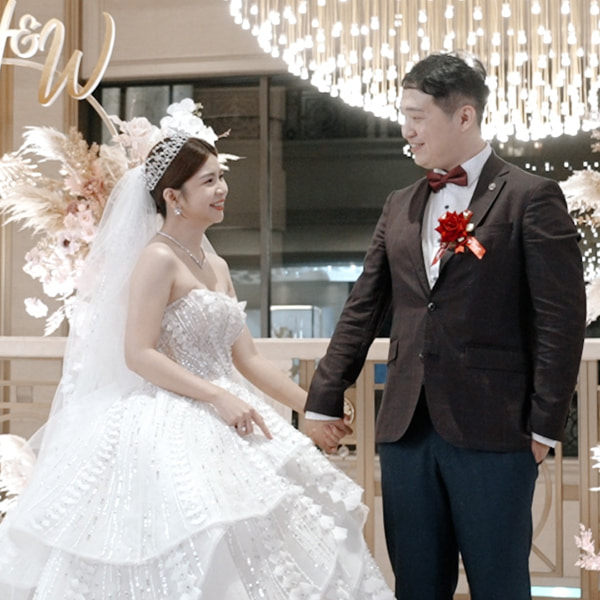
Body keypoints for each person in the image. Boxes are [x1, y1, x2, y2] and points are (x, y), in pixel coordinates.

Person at [0, 130, 394, 599]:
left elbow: (246, 356)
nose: (222, 188)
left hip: (230, 408)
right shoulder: (157, 259)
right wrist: (216, 395)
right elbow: (139, 353)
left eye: (221, 177)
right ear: (173, 197)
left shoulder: (216, 264)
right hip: (170, 416)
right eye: (208, 181)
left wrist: (313, 407)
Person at [304, 52, 587, 600]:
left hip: (497, 431)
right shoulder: (399, 205)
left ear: (464, 116)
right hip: (406, 431)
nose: (406, 131)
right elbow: (364, 305)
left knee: (500, 587)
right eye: (403, 116)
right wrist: (323, 396)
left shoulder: (530, 197)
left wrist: (544, 428)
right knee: (416, 586)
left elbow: (560, 320)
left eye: (417, 117)